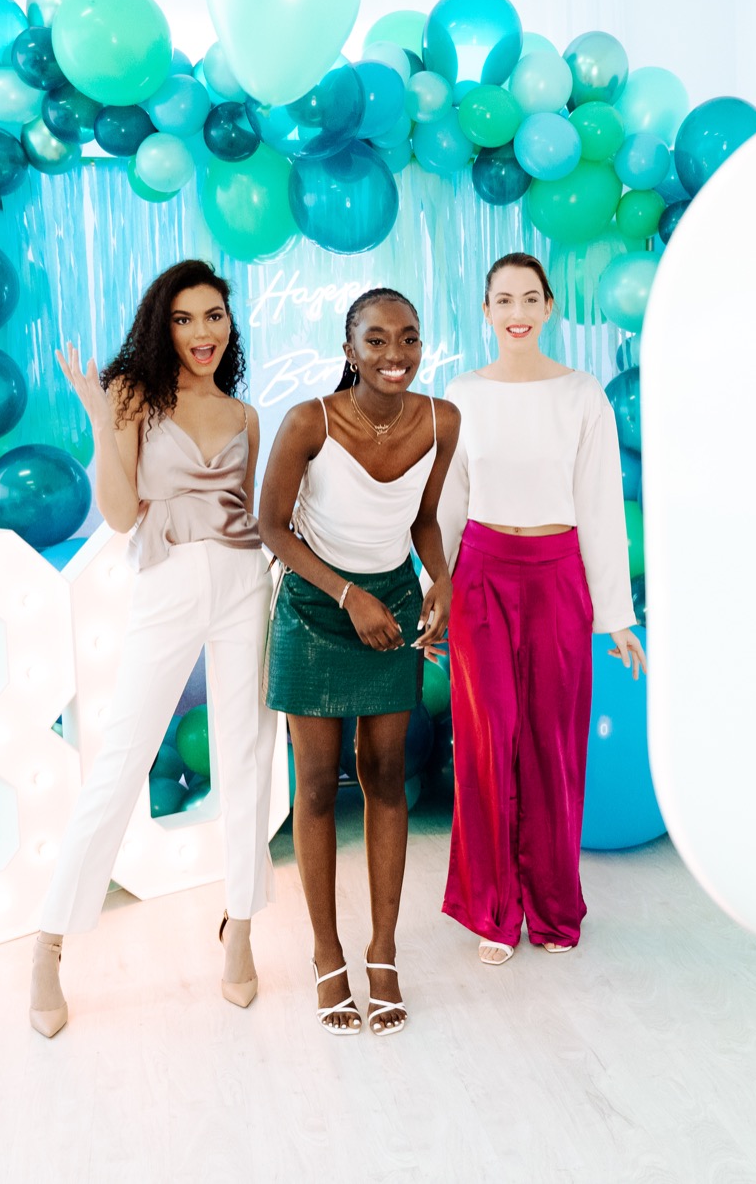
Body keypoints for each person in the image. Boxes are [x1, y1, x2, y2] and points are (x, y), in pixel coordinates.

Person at [28, 259, 278, 1039]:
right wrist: (102, 422)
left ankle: (239, 922)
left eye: (214, 317)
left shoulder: (243, 416)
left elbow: (254, 514)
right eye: (185, 318)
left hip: (245, 581)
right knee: (121, 759)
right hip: (167, 582)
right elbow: (122, 513)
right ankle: (48, 941)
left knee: (246, 758)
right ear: (161, 324)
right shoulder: (137, 395)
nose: (203, 331)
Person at [258, 289, 459, 1035]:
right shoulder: (310, 420)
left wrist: (440, 578)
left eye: (408, 337)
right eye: (375, 340)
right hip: (316, 609)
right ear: (348, 350)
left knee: (385, 779)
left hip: (395, 607)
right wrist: (347, 595)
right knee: (315, 787)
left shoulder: (443, 419)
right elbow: (271, 527)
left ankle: (383, 953)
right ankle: (325, 956)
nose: (394, 354)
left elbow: (425, 519)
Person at [437, 253, 646, 966]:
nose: (517, 309)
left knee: (552, 747)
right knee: (489, 742)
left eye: (530, 296)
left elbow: (599, 507)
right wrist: (437, 599)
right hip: (482, 578)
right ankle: (495, 911)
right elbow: (449, 504)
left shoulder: (581, 394)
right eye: (504, 298)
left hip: (559, 577)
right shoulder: (462, 393)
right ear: (487, 311)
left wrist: (615, 613)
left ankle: (555, 905)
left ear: (550, 306)